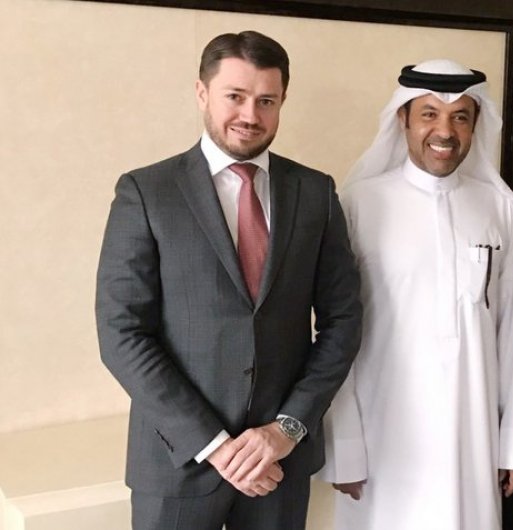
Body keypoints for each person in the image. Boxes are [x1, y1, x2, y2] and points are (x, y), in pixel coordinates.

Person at [95, 31, 361, 530]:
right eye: (234, 96)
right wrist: (216, 446)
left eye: (266, 101)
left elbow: (343, 322)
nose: (250, 115)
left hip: (279, 464)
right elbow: (121, 334)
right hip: (177, 464)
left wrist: (286, 430)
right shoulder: (146, 192)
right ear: (202, 93)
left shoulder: (315, 192)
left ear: (282, 101)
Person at [317, 59, 513, 530]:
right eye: (429, 114)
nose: (445, 131)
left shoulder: (501, 208)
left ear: (475, 126)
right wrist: (344, 447)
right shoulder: (358, 204)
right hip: (384, 438)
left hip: (472, 436)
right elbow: (336, 333)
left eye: (460, 117)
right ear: (403, 119)